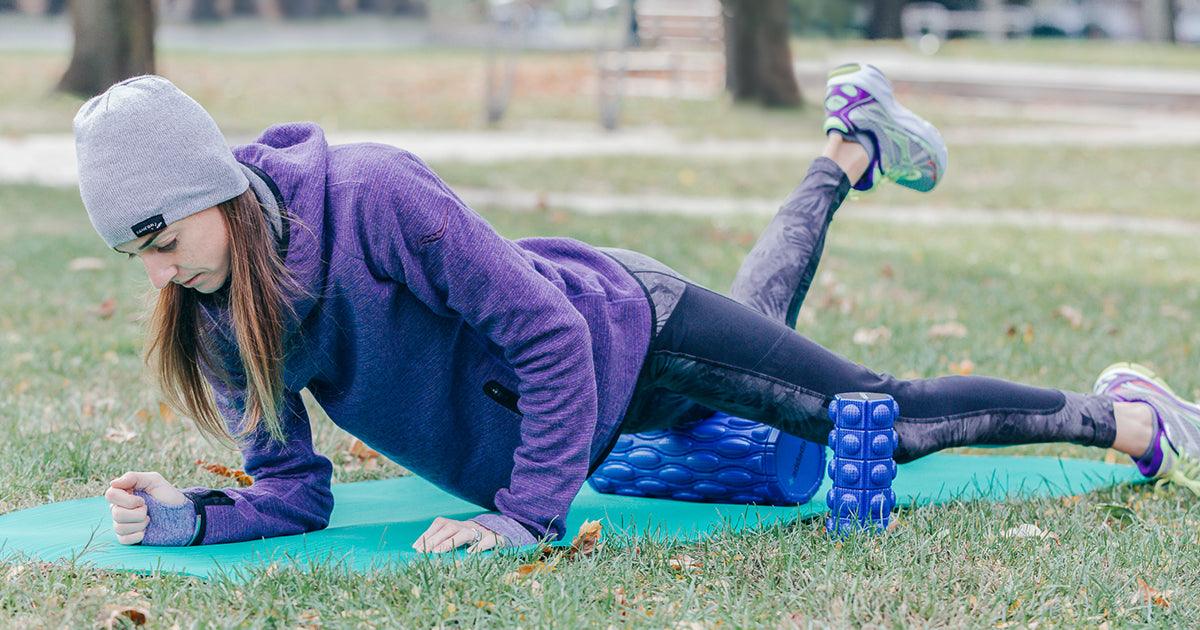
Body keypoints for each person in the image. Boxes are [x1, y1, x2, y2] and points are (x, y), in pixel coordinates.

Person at [79, 66, 1197, 555]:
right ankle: (848, 142)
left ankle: (1127, 415)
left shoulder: (372, 194)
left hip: (630, 332)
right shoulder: (223, 307)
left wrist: (523, 515)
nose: (160, 275)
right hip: (601, 426)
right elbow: (293, 490)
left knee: (877, 417)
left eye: (162, 239)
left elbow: (549, 336)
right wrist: (192, 517)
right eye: (136, 254)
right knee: (765, 307)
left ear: (212, 193)